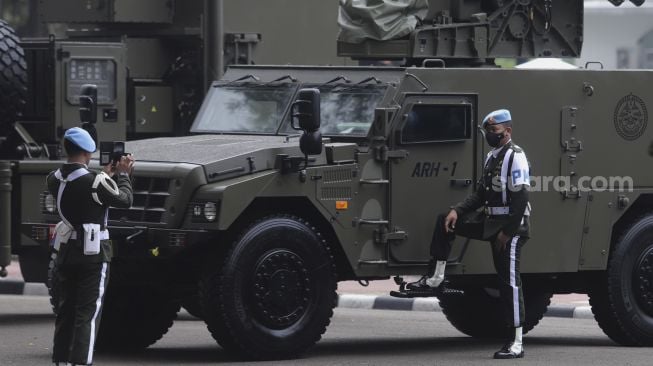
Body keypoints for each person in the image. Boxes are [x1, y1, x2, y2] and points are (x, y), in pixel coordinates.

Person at [407, 109, 531, 359]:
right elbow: (480, 195)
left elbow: (521, 197)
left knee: (509, 282)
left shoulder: (515, 157)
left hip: (512, 226)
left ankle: (516, 342)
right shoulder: (491, 157)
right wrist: (457, 211)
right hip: (491, 220)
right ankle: (436, 276)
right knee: (446, 221)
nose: (489, 135)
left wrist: (507, 233)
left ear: (507, 132)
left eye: (493, 131)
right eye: (487, 131)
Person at [48, 127, 134, 366]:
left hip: (66, 251)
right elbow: (125, 200)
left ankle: (61, 360)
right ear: (88, 151)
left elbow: (83, 188)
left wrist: (105, 175)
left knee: (66, 310)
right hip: (93, 254)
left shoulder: (53, 178)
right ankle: (81, 362)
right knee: (87, 312)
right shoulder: (96, 181)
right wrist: (124, 175)